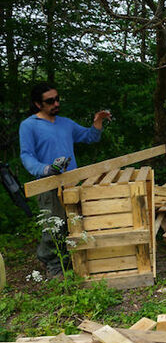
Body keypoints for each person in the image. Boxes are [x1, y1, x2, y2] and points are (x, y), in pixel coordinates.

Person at [19, 82, 112, 278]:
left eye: (57, 99)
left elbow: (89, 137)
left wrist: (97, 123)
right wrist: (46, 169)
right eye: (50, 101)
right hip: (47, 184)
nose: (56, 103)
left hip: (72, 182)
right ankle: (54, 266)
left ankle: (74, 260)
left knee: (74, 223)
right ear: (38, 104)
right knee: (54, 226)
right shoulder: (28, 126)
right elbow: (26, 156)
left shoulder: (65, 123)